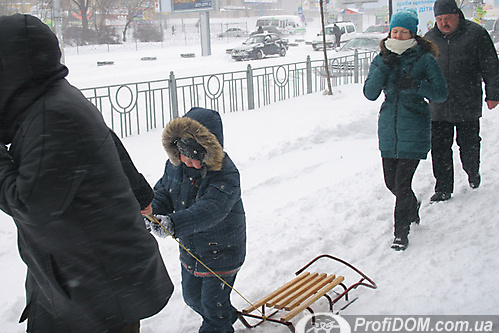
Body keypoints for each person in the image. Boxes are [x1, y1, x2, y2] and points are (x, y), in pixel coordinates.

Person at [0, 14, 174, 332]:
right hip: (84, 280)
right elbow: (106, 145)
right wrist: (140, 194)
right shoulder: (53, 101)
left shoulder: (52, 116)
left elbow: (28, 205)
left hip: (95, 292)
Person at [148, 107, 246, 333]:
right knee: (192, 298)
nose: (195, 164)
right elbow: (164, 191)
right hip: (191, 250)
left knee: (212, 306)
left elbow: (211, 209)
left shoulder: (226, 175)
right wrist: (152, 212)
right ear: (178, 150)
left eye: (200, 159)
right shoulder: (174, 167)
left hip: (223, 251)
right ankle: (223, 318)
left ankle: (218, 324)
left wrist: (173, 224)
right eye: (189, 159)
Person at [363, 9, 448, 250]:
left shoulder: (424, 59)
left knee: (401, 184)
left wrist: (418, 85)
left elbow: (441, 92)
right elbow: (370, 94)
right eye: (395, 31)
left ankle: (401, 233)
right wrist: (383, 67)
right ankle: (413, 204)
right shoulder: (381, 58)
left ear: (413, 33)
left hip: (415, 127)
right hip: (389, 128)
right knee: (392, 183)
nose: (398, 36)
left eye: (404, 32)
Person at [424, 0, 499, 202]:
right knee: (439, 148)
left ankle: (472, 171)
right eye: (439, 19)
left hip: (467, 101)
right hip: (438, 105)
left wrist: (493, 93)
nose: (444, 23)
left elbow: (491, 66)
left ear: (457, 15)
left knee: (469, 144)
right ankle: (443, 188)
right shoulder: (429, 39)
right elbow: (420, 68)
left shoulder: (476, 34)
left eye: (447, 18)